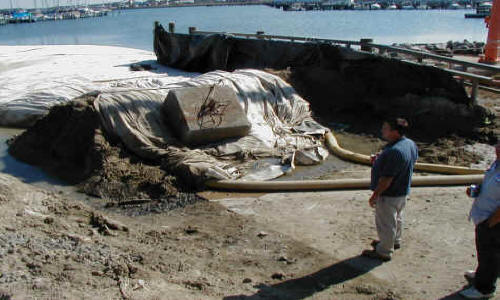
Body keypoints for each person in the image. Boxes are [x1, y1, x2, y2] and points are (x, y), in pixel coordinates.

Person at [362, 118, 418, 261]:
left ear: (395, 132)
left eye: (385, 128)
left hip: (389, 194)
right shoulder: (409, 144)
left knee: (386, 222)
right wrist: (380, 161)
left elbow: (386, 179)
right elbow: (405, 164)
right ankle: (395, 241)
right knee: (397, 218)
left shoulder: (394, 151)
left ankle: (384, 251)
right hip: (402, 191)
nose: (382, 130)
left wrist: (375, 195)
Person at [459, 140, 500, 299]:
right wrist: (476, 190)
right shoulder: (496, 164)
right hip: (483, 218)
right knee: (484, 251)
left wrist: (492, 221)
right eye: (497, 146)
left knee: (491, 254)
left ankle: (485, 289)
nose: (497, 149)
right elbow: (489, 184)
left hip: (493, 222)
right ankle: (481, 274)